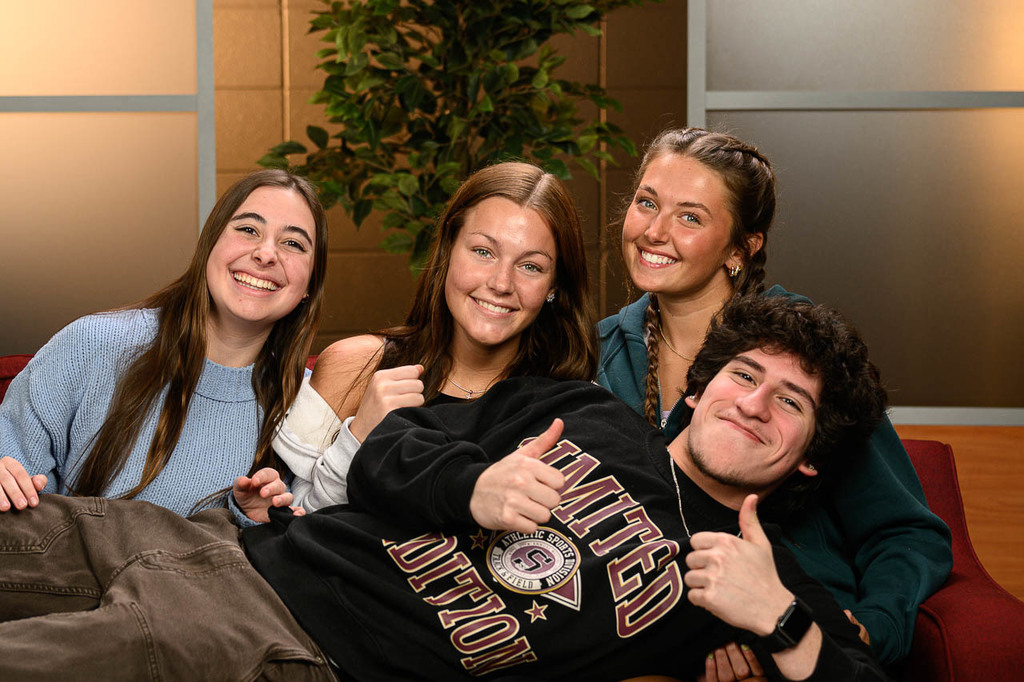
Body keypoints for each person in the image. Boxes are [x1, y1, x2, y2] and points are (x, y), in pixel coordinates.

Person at [0, 296, 890, 681]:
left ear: (810, 455)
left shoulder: (749, 581)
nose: (754, 404)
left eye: (793, 403)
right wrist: (474, 487)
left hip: (276, 640)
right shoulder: (586, 409)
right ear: (701, 385)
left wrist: (779, 620)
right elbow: (393, 446)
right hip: (219, 542)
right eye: (743, 375)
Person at [597, 127, 952, 666]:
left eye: (690, 217)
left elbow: (905, 533)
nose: (654, 231)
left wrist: (868, 628)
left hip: (790, 627)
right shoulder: (593, 351)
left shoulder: (805, 356)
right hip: (648, 630)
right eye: (647, 203)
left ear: (742, 248)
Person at [0, 169, 327, 520]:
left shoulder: (313, 408)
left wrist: (264, 523)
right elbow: (18, 484)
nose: (266, 254)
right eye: (248, 229)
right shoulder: (93, 342)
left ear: (310, 283)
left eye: (293, 243)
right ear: (210, 245)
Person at [273, 161, 598, 511]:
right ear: (448, 250)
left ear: (554, 286)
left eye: (530, 266)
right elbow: (294, 521)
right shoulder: (355, 367)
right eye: (483, 252)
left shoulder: (575, 405)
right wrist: (358, 436)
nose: (501, 284)